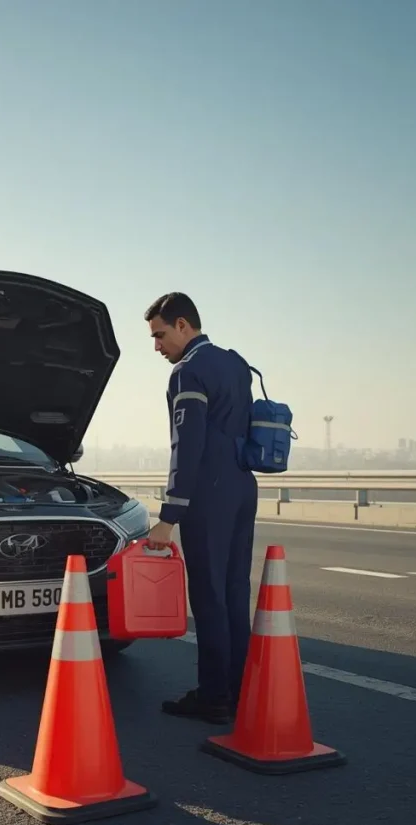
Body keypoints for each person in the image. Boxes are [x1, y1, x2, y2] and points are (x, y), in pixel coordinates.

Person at [143, 292, 258, 724]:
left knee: (209, 596)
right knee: (233, 592)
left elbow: (186, 445)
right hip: (243, 488)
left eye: (159, 335)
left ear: (183, 326)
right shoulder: (235, 363)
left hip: (208, 493)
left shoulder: (188, 372)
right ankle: (238, 688)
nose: (157, 347)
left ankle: (213, 696)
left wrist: (169, 516)